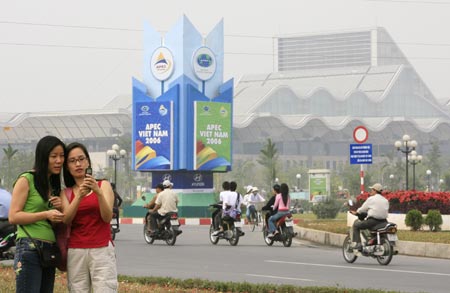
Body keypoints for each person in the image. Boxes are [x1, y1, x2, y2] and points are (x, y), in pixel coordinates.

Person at [8, 135, 65, 293]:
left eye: (61, 156)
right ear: (42, 156)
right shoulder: (26, 179)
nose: (59, 160)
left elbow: (51, 223)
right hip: (29, 249)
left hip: (48, 251)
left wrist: (58, 211)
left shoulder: (52, 185)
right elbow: (13, 216)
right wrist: (45, 214)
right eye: (53, 156)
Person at [61, 142, 118, 292]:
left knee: (106, 289)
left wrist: (97, 192)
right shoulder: (66, 193)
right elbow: (66, 219)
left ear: (88, 161)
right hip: (76, 251)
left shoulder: (103, 185)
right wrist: (79, 196)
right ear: (67, 167)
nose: (78, 164)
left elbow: (107, 217)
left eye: (81, 159)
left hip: (102, 250)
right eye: (72, 161)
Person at [350, 183, 389, 251]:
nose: (370, 191)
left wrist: (357, 212)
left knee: (356, 225)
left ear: (375, 190)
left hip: (373, 222)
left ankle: (358, 244)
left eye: (371, 190)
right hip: (384, 222)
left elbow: (362, 209)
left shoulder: (371, 199)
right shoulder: (385, 200)